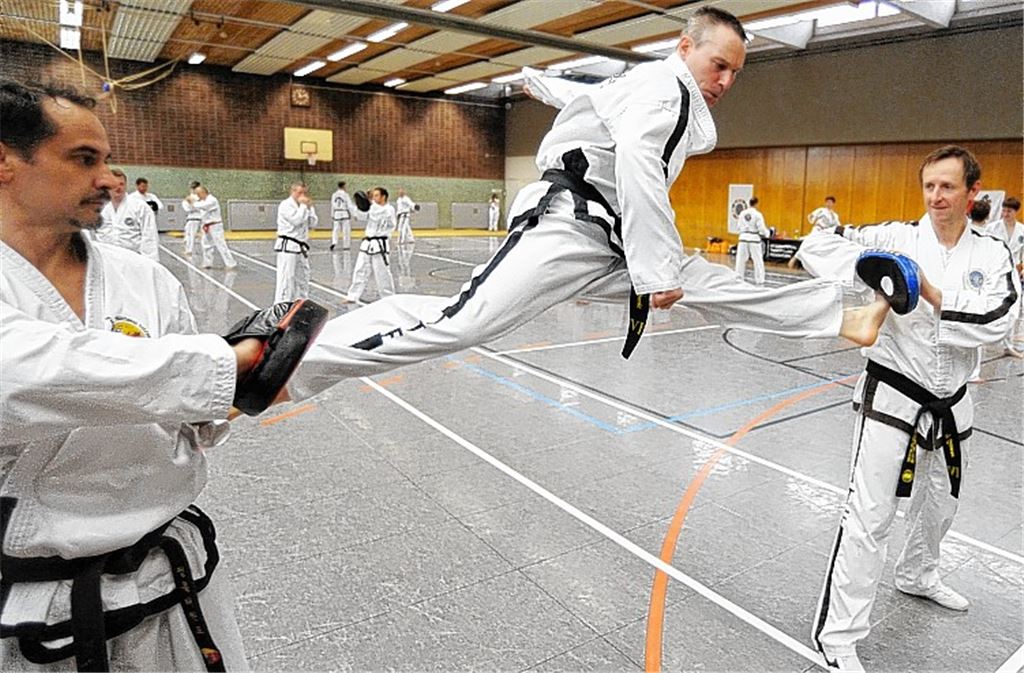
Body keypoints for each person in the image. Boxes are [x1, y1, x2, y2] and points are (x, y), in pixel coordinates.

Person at [283, 7, 895, 403]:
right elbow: (638, 164)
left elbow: (596, 100)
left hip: (610, 234)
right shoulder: (668, 90)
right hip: (570, 225)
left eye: (736, 72)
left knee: (711, 283)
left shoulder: (646, 83)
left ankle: (842, 318)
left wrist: (542, 84)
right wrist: (654, 272)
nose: (726, 82)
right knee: (461, 320)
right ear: (685, 47)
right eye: (719, 66)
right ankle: (293, 353)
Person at [0, 79, 279, 672]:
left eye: (107, 159)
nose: (108, 178)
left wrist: (250, 382)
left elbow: (198, 414)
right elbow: (22, 373)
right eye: (84, 158)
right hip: (26, 600)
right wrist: (217, 367)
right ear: (5, 161)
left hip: (166, 573)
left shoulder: (144, 279)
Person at [797, 146, 1021, 673]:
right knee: (870, 515)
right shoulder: (895, 238)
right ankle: (838, 636)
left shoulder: (992, 254)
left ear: (972, 193)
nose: (936, 197)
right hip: (892, 392)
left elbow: (1000, 320)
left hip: (953, 400)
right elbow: (817, 246)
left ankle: (918, 574)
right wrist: (874, 268)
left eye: (948, 187)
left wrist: (930, 291)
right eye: (929, 186)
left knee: (939, 504)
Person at [984, 196, 1024, 357]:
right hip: (995, 272)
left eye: (1009, 211)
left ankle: (1008, 345)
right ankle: (983, 338)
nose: (1005, 214)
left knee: (1013, 308)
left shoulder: (1022, 230)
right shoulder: (992, 228)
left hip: (1013, 272)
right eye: (1004, 210)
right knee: (989, 306)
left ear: (1016, 212)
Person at [95, 167, 159, 262]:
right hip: (105, 259)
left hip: (133, 258)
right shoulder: (97, 207)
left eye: (121, 184)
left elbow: (149, 236)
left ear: (126, 185)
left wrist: (150, 262)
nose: (118, 187)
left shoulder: (140, 207)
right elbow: (90, 235)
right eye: (114, 184)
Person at [345, 186, 397, 303]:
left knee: (382, 272)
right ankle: (352, 296)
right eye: (373, 196)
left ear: (384, 197)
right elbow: (361, 215)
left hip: (380, 244)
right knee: (360, 269)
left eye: (376, 195)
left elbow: (377, 213)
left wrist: (369, 202)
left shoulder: (389, 209)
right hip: (367, 243)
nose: (374, 198)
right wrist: (360, 204)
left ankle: (388, 297)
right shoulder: (372, 208)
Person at [275, 181, 318, 303]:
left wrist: (310, 208)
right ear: (292, 192)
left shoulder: (304, 207)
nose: (302, 196)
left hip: (301, 248)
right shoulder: (285, 205)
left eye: (304, 193)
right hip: (288, 247)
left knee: (303, 278)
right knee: (287, 279)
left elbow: (313, 224)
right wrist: (304, 206)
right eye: (299, 193)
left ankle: (302, 304)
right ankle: (282, 306)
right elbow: (296, 220)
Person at [194, 184, 237, 270]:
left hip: (215, 226)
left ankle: (231, 263)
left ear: (203, 192)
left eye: (198, 194)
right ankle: (207, 263)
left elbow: (202, 206)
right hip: (206, 226)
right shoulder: (202, 201)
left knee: (221, 244)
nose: (197, 196)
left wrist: (192, 202)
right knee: (206, 245)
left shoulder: (212, 200)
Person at [734, 196, 770, 285]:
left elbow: (738, 227)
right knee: (757, 260)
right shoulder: (758, 214)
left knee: (740, 260)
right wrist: (767, 233)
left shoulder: (742, 214)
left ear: (748, 203)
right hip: (754, 239)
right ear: (757, 204)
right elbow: (761, 228)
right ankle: (760, 280)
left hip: (743, 238)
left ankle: (738, 278)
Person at [330, 179, 354, 251]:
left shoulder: (334, 195)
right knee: (346, 230)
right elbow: (349, 205)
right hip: (344, 213)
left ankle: (334, 242)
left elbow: (332, 205)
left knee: (335, 229)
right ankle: (346, 245)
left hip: (336, 213)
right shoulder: (345, 195)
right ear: (343, 186)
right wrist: (353, 214)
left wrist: (332, 214)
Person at [180, 180, 202, 256]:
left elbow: (188, 208)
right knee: (189, 234)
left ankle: (189, 250)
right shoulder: (196, 197)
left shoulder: (196, 197)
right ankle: (188, 248)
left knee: (191, 235)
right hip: (195, 218)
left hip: (194, 218)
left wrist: (190, 204)